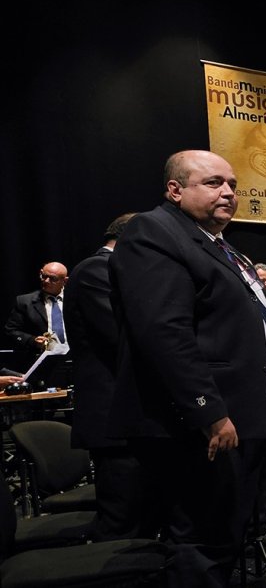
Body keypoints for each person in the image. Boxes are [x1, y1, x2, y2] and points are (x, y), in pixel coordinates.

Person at [108, 149, 266, 586]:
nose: (229, 192)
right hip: (201, 425)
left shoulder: (215, 242)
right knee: (202, 544)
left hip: (245, 414)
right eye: (214, 183)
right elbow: (164, 334)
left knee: (228, 537)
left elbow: (241, 326)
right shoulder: (153, 232)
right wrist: (209, 412)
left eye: (233, 184)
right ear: (175, 190)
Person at [66, 212, 153, 540]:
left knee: (143, 518)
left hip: (130, 417)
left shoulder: (115, 270)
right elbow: (122, 336)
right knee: (122, 525)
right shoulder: (96, 269)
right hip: (112, 416)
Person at [5, 261, 70, 363]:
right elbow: (11, 331)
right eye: (44, 276)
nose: (46, 281)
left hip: (75, 356)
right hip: (41, 358)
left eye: (53, 278)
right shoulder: (25, 301)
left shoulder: (76, 299)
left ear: (65, 281)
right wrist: (32, 340)